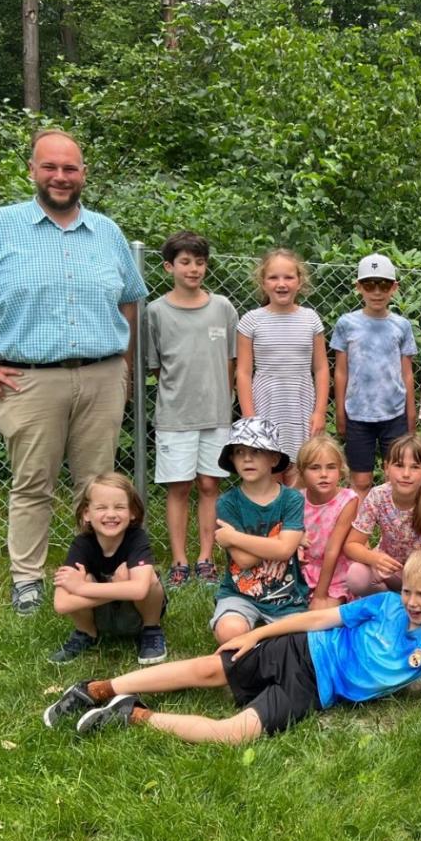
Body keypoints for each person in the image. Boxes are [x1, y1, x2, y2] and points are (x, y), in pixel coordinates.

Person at [0, 129, 147, 615]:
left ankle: (94, 573)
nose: (60, 176)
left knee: (99, 487)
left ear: (83, 174)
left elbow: (131, 300)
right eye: (50, 167)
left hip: (102, 376)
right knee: (33, 484)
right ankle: (27, 579)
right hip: (28, 379)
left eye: (70, 168)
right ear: (32, 170)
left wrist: (125, 366)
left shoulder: (106, 232)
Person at [43, 548, 421, 742]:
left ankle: (131, 715)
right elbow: (318, 618)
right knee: (208, 669)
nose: (412, 601)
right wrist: (257, 633)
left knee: (234, 734)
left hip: (314, 691)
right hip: (300, 648)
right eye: (408, 591)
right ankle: (98, 688)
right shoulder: (383, 603)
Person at [145, 231, 238, 586]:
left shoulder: (223, 308)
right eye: (185, 262)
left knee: (210, 484)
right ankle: (180, 560)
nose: (194, 269)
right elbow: (157, 366)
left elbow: (231, 361)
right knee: (179, 487)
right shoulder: (156, 311)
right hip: (175, 416)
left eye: (200, 262)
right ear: (169, 267)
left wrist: (221, 398)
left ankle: (205, 558)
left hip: (216, 414)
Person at [343, 434, 421, 619]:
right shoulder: (378, 496)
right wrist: (374, 558)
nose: (406, 474)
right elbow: (352, 545)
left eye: (415, 467)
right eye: (399, 465)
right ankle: (391, 604)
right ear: (386, 468)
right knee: (356, 576)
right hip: (391, 571)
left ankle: (419, 605)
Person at [50, 472, 166, 666]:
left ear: (132, 512)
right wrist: (117, 587)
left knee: (149, 579)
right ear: (86, 513)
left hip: (135, 614)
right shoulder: (81, 544)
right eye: (101, 507)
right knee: (80, 577)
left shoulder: (137, 538)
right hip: (100, 616)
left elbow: (140, 590)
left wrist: (82, 588)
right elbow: (61, 604)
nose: (111, 514)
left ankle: (151, 630)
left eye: (119, 507)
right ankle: (86, 633)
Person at [210, 418, 307, 646]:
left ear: (274, 458)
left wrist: (234, 537)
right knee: (229, 632)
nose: (247, 458)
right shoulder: (228, 503)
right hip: (239, 594)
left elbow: (284, 551)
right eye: (239, 452)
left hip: (287, 597)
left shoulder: (292, 499)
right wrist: (282, 540)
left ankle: (264, 642)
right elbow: (243, 560)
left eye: (256, 451)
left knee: (299, 645)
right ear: (232, 459)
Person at [235, 248, 329, 476]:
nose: (281, 284)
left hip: (301, 407)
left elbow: (321, 368)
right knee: (269, 471)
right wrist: (250, 417)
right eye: (273, 277)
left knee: (301, 471)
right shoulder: (251, 321)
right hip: (266, 407)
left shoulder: (311, 319)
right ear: (263, 282)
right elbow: (244, 372)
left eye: (288, 277)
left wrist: (319, 412)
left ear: (299, 281)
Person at [331, 254, 418, 498]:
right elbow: (341, 371)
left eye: (384, 285)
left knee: (399, 477)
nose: (377, 292)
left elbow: (407, 373)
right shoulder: (346, 323)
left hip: (394, 413)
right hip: (358, 414)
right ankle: (360, 523)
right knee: (361, 481)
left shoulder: (402, 325)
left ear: (394, 287)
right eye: (369, 285)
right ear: (359, 287)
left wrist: (410, 413)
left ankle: (397, 522)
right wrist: (340, 412)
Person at [295, 434, 361, 609]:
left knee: (318, 613)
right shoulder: (296, 499)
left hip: (335, 573)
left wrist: (320, 595)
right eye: (315, 468)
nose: (324, 474)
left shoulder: (347, 500)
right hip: (303, 569)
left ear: (341, 470)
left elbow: (332, 550)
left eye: (331, 467)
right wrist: (297, 547)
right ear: (301, 472)